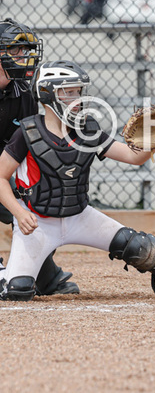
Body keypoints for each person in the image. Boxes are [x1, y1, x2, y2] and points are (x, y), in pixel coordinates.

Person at [0, 60, 155, 301]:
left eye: (78, 91)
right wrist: (19, 212)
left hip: (79, 215)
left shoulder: (86, 130)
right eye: (67, 92)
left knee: (138, 246)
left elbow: (132, 157)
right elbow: (1, 177)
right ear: (47, 94)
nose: (76, 98)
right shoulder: (27, 131)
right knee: (18, 290)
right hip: (38, 221)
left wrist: (149, 141)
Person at [0, 19, 79, 296]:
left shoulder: (23, 90)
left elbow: (36, 139)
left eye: (25, 51)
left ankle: (44, 276)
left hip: (4, 166)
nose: (23, 58)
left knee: (35, 197)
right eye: (15, 51)